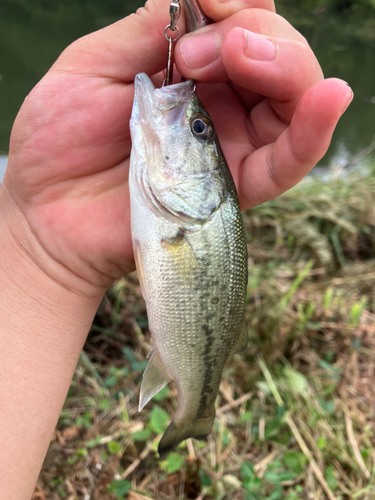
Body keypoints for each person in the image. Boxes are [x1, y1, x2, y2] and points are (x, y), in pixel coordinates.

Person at [0, 0, 352, 498]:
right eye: (201, 129)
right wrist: (31, 238)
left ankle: (193, 411)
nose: (192, 118)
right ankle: (194, 409)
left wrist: (42, 251)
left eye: (198, 129)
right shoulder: (178, 204)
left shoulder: (186, 213)